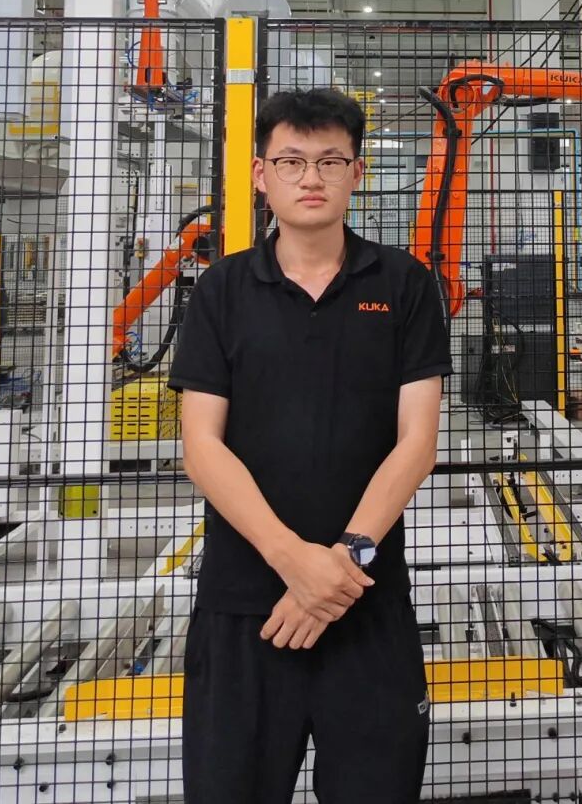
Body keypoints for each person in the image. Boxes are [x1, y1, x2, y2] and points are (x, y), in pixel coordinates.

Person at [169, 88, 451, 804]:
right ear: (261, 174)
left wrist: (343, 564)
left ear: (358, 172)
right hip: (245, 610)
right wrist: (293, 560)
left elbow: (417, 441)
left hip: (365, 606)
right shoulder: (222, 291)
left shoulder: (405, 285)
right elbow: (201, 445)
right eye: (291, 161)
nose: (311, 177)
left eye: (330, 160)